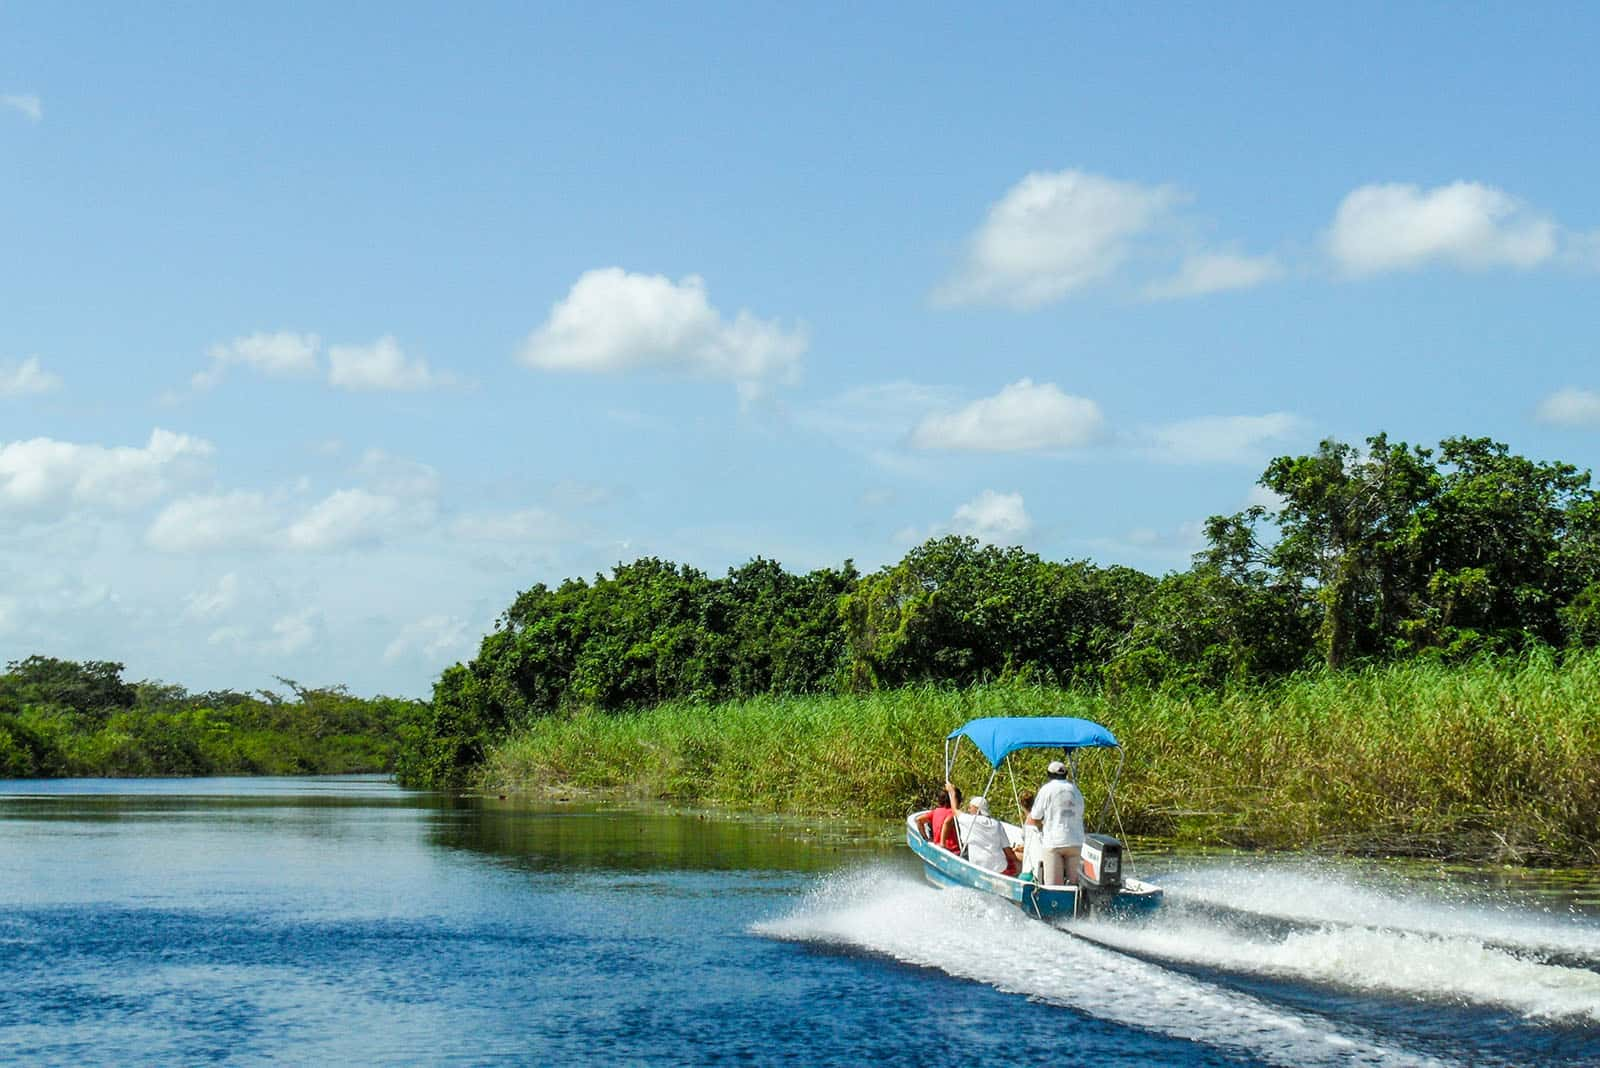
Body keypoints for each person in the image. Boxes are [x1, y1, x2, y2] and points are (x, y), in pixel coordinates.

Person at [1026, 760, 1085, 886]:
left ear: (1049, 775)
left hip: (1054, 843)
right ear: (1065, 774)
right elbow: (1080, 812)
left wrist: (1041, 825)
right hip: (1076, 841)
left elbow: (1035, 816)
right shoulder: (1075, 790)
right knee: (1076, 885)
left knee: (1054, 886)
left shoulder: (1046, 789)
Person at [944, 782, 1017, 875]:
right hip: (1000, 868)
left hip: (979, 867)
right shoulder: (997, 824)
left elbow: (955, 810)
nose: (968, 810)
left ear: (977, 809)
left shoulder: (970, 820)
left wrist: (952, 792)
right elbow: (1008, 852)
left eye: (970, 808)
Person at [914, 783, 961, 852]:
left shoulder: (935, 812)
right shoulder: (953, 813)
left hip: (938, 846)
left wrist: (926, 839)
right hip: (952, 849)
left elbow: (919, 820)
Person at [1017, 790, 1043, 882]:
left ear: (1021, 805)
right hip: (1042, 857)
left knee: (1013, 855)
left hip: (1031, 865)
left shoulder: (1029, 822)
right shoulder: (1041, 818)